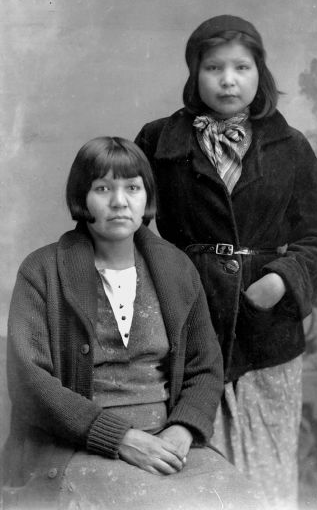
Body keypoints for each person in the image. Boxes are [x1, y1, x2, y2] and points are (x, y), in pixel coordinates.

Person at [135, 15, 317, 509]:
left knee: (265, 472)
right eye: (213, 67)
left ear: (259, 73)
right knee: (193, 466)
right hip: (186, 316)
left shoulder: (290, 147)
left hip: (266, 330)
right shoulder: (160, 142)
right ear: (194, 74)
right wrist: (167, 285)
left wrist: (283, 280)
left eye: (241, 67)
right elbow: (130, 228)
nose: (228, 80)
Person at [1, 137, 265, 510]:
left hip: (164, 441)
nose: (119, 201)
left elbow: (205, 367)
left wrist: (183, 428)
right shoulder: (42, 270)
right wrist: (119, 438)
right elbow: (31, 384)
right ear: (82, 197)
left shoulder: (176, 268)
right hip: (75, 445)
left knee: (249, 500)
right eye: (103, 188)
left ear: (147, 197)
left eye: (132, 187)